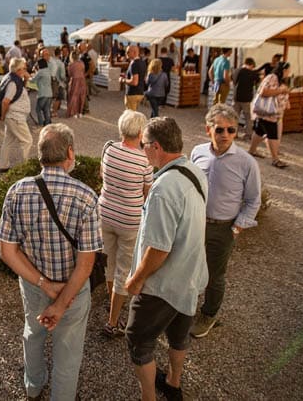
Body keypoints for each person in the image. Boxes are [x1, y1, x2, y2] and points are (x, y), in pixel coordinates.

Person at [0, 123, 101, 400]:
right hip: (73, 289)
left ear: (41, 155)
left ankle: (33, 386)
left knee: (33, 334)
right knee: (68, 352)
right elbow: (86, 265)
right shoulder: (87, 197)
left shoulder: (17, 192)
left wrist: (45, 285)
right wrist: (62, 299)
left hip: (34, 286)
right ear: (70, 152)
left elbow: (7, 253)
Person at [125, 116, 208, 401]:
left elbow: (159, 249)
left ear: (156, 147)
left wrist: (135, 280)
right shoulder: (195, 171)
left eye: (143, 145)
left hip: (163, 285)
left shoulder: (163, 188)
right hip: (191, 277)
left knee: (138, 340)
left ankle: (148, 397)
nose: (141, 150)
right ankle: (173, 383)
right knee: (178, 335)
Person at [189, 104, 261, 338]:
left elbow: (253, 200)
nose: (226, 135)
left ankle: (209, 314)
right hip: (196, 224)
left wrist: (238, 225)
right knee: (188, 267)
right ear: (208, 129)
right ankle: (185, 308)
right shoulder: (197, 152)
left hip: (223, 228)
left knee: (214, 275)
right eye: (220, 130)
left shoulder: (246, 162)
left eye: (232, 130)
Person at [99, 110, 153, 338]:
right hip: (130, 220)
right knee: (124, 268)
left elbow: (103, 177)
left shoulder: (109, 149)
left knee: (108, 261)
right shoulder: (144, 161)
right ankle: (113, 321)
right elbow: (147, 192)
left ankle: (113, 301)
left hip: (105, 213)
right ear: (141, 133)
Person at [248, 62, 291, 168]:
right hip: (269, 113)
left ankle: (251, 151)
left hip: (265, 113)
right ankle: (275, 159)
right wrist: (281, 90)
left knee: (259, 132)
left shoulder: (275, 78)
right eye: (288, 70)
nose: (289, 72)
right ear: (284, 70)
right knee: (273, 135)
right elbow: (264, 92)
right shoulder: (273, 77)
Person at [0, 58, 32, 172]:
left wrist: (26, 78)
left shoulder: (14, 78)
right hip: (15, 117)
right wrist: (2, 116)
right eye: (24, 68)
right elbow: (5, 101)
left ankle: (3, 166)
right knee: (27, 141)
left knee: (8, 140)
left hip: (13, 116)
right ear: (18, 70)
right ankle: (25, 167)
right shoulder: (13, 82)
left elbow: (22, 90)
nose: (25, 70)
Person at [232, 58, 257, 140]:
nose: (252, 68)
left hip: (236, 96)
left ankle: (234, 133)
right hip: (246, 98)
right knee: (248, 117)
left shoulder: (236, 71)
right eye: (252, 66)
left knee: (235, 116)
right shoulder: (251, 73)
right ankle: (248, 134)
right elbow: (257, 81)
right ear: (250, 64)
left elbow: (233, 81)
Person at [122, 45, 146, 111]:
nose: (126, 54)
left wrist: (123, 80)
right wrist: (127, 76)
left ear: (135, 52)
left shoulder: (134, 64)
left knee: (130, 115)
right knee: (133, 114)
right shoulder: (142, 62)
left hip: (132, 93)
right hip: (140, 92)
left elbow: (134, 82)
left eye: (128, 52)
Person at [66, 51, 87, 119]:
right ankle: (80, 112)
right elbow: (83, 71)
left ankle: (73, 112)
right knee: (81, 96)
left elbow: (69, 74)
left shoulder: (70, 65)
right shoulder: (82, 63)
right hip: (82, 80)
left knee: (73, 96)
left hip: (74, 80)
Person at [33, 58, 53, 126]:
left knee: (38, 109)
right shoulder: (48, 70)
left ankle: (41, 124)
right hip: (49, 93)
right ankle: (47, 124)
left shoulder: (40, 71)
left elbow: (33, 80)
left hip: (42, 93)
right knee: (47, 109)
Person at [50, 47, 67, 118]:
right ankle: (54, 112)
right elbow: (62, 76)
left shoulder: (49, 61)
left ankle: (50, 110)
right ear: (60, 54)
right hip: (58, 83)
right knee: (58, 98)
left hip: (50, 81)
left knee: (51, 97)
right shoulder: (61, 63)